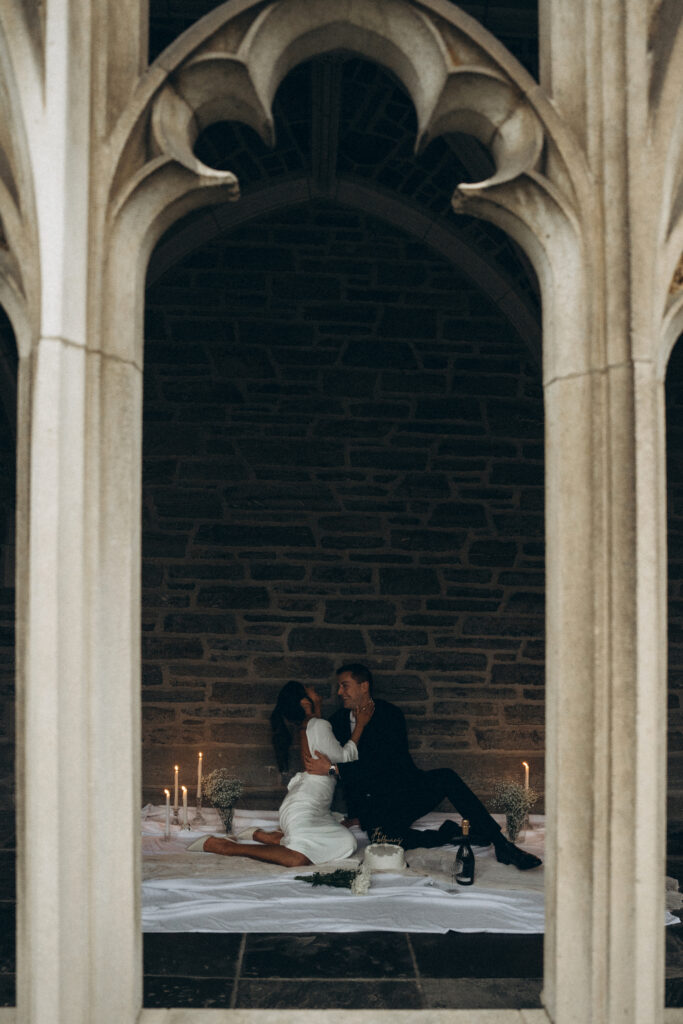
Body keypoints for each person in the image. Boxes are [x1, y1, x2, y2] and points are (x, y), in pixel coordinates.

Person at [303, 663, 541, 871]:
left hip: (406, 791)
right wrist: (356, 813)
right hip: (376, 805)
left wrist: (334, 769)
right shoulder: (335, 722)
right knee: (384, 842)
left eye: (345, 686)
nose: (339, 692)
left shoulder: (390, 715)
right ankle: (453, 833)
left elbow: (385, 767)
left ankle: (502, 846)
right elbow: (345, 770)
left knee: (446, 776)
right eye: (339, 687)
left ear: (364, 686)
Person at [189, 679, 373, 867]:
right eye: (310, 689)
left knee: (343, 842)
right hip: (303, 807)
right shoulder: (317, 725)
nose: (315, 690)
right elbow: (345, 758)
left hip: (311, 806)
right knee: (306, 856)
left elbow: (317, 735)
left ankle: (274, 838)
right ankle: (224, 846)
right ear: (304, 703)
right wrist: (360, 725)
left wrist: (314, 709)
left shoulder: (310, 725)